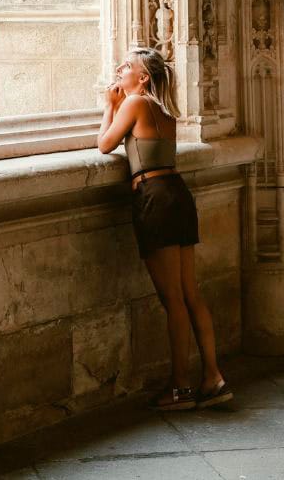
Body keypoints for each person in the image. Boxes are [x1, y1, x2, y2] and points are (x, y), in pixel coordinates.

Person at [98, 46, 232, 411]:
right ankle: (213, 376)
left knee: (171, 299)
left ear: (142, 77)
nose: (119, 69)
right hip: (177, 194)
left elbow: (105, 144)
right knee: (190, 293)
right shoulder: (163, 110)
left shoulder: (135, 104)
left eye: (127, 66)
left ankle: (179, 387)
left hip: (154, 197)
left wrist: (110, 105)